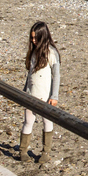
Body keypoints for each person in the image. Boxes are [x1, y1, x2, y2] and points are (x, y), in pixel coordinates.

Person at [19, 21, 60, 164]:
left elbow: (57, 76)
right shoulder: (33, 52)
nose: (33, 41)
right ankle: (23, 150)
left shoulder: (51, 53)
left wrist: (54, 96)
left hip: (46, 96)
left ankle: (46, 152)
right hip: (31, 94)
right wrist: (25, 91)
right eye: (31, 38)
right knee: (28, 121)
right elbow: (30, 74)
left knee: (47, 122)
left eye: (35, 38)